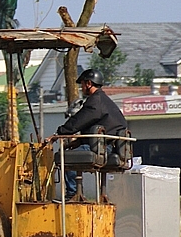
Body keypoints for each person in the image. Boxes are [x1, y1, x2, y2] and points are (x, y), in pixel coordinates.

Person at [50, 68, 127, 199]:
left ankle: (73, 194)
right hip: (110, 147)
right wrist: (77, 142)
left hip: (103, 148)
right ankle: (99, 193)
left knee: (65, 157)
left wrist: (58, 134)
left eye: (83, 84)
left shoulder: (95, 101)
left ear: (89, 84)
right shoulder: (105, 101)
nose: (82, 88)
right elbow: (94, 128)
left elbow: (78, 121)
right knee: (70, 150)